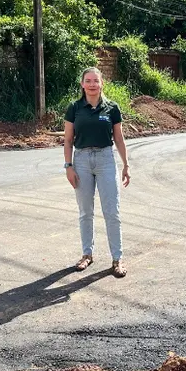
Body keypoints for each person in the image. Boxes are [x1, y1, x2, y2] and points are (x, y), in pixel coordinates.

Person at [63, 67, 130, 278]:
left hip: (105, 159)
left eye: (96, 81)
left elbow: (118, 139)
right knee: (85, 211)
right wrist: (68, 166)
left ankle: (117, 259)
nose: (92, 84)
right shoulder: (74, 108)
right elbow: (67, 140)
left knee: (112, 211)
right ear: (82, 84)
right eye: (88, 81)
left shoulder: (112, 108)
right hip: (81, 160)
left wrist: (126, 165)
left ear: (102, 84)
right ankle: (87, 254)